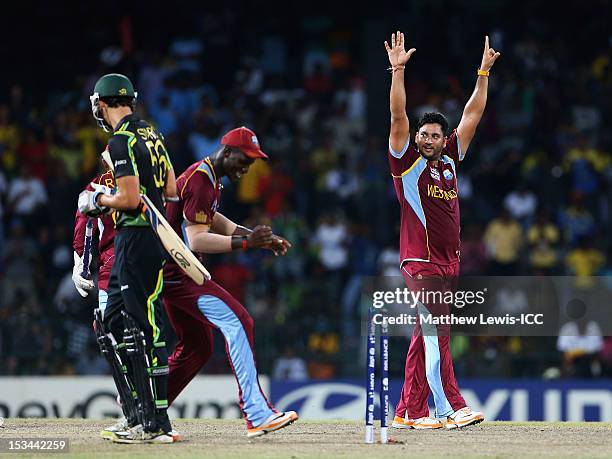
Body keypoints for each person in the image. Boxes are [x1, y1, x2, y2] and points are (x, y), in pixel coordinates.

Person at [384, 31, 499, 429]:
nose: (430, 139)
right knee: (438, 331)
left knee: (423, 335)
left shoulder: (450, 158)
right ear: (416, 137)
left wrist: (483, 72)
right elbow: (398, 114)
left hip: (449, 262)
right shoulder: (406, 160)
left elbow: (472, 115)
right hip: (420, 261)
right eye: (425, 134)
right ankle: (450, 406)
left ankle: (407, 410)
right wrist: (398, 72)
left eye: (435, 134)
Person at [163, 126, 298, 437]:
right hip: (180, 272)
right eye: (244, 160)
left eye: (252, 163)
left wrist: (255, 238)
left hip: (171, 272)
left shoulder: (208, 176)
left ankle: (145, 405)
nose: (246, 168)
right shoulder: (200, 179)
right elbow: (196, 240)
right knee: (239, 321)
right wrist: (247, 244)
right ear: (226, 152)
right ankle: (256, 413)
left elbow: (216, 221)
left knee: (197, 346)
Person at [78, 73, 178, 443]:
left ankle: (156, 424)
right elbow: (170, 190)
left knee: (142, 324)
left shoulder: (121, 141)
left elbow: (130, 198)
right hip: (148, 235)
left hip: (135, 235)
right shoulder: (153, 134)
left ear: (101, 104)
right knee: (112, 321)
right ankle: (138, 416)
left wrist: (97, 201)